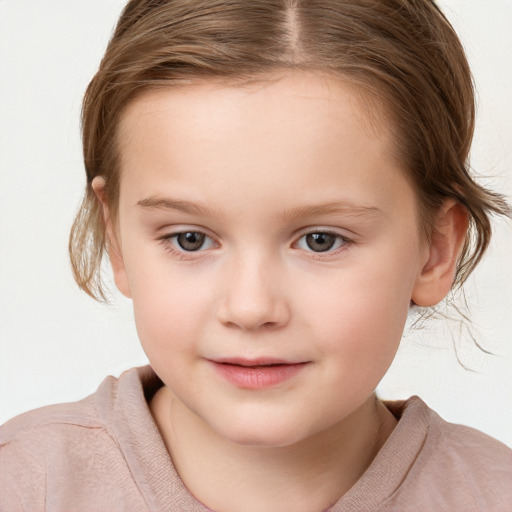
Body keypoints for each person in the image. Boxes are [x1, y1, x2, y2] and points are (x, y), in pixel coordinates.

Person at [1, 0, 511, 510]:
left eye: (321, 240)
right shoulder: (25, 484)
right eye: (190, 239)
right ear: (116, 239)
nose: (250, 308)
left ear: (435, 250)